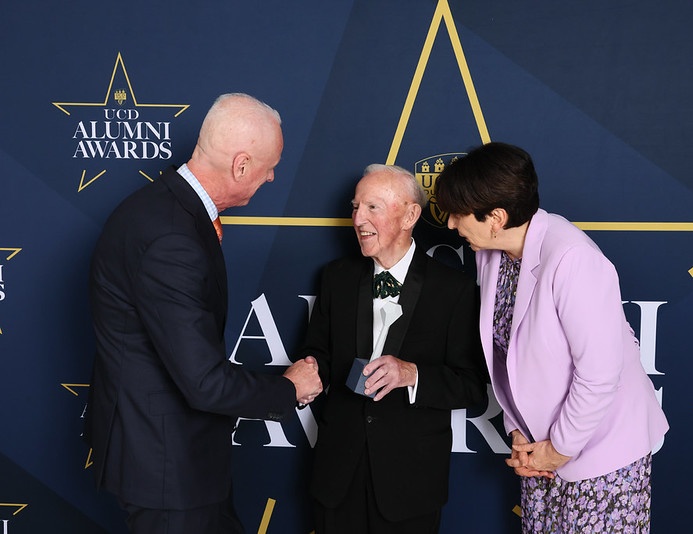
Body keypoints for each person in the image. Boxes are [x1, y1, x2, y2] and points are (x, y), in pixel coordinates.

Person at [85, 93, 323, 534]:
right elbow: (204, 383)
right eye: (269, 166)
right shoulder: (173, 237)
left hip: (175, 462)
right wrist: (288, 390)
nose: (271, 178)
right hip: (167, 469)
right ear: (241, 166)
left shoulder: (163, 209)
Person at [435, 142, 668, 533]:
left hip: (602, 453)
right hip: (541, 453)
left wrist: (557, 451)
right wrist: (521, 435)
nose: (450, 225)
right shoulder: (491, 251)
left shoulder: (572, 258)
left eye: (458, 214)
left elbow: (598, 374)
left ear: (496, 217)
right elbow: (507, 356)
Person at [301, 164, 487, 534]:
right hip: (337, 478)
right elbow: (317, 354)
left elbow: (471, 386)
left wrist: (412, 374)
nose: (358, 219)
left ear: (410, 215)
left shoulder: (455, 291)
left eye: (373, 207)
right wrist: (307, 373)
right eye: (355, 207)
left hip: (410, 485)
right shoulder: (336, 277)